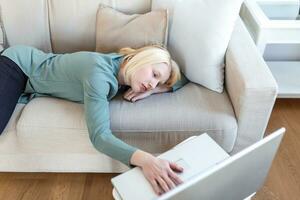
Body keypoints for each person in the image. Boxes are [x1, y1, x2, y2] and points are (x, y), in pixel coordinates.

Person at [0, 44, 189, 195]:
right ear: (139, 59)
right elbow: (99, 136)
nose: (152, 84)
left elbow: (183, 79)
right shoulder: (98, 74)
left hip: (28, 80)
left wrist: (156, 89)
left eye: (158, 82)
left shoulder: (125, 69)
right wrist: (147, 160)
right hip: (18, 65)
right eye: (154, 76)